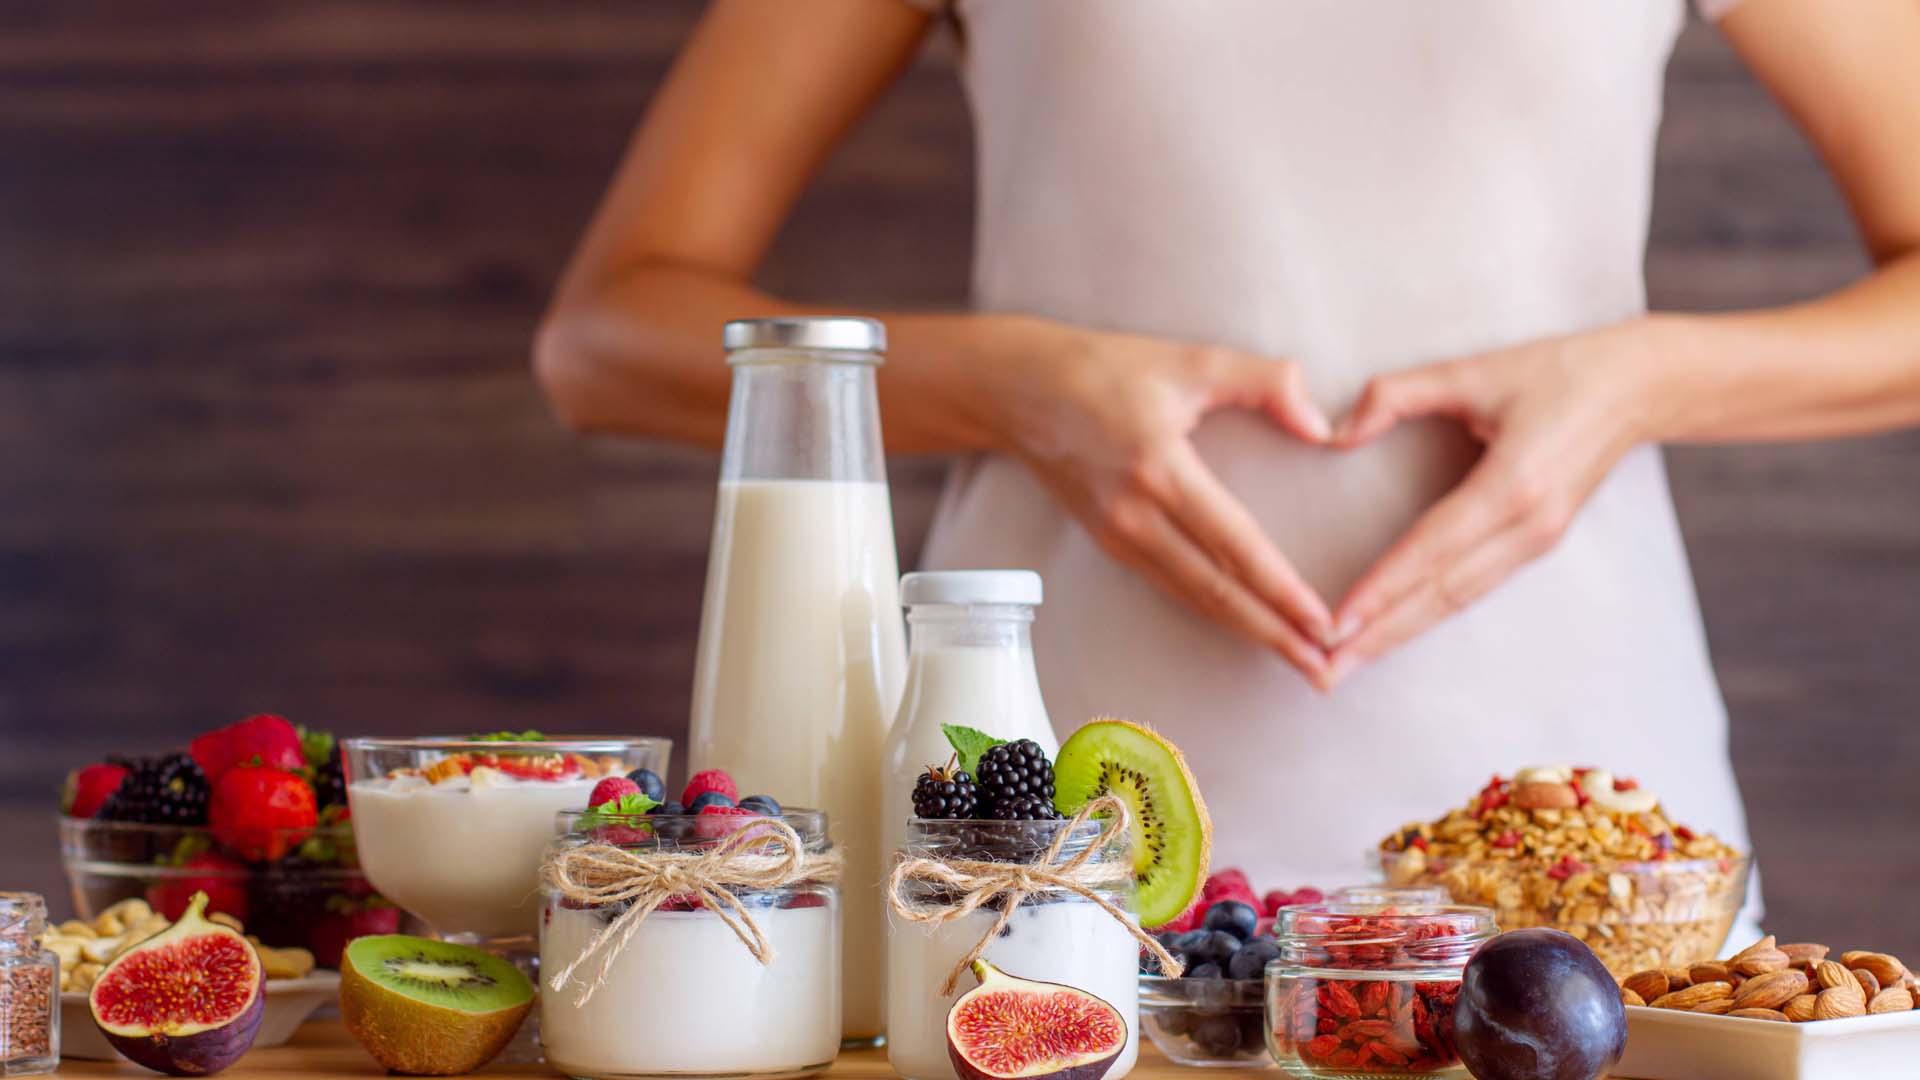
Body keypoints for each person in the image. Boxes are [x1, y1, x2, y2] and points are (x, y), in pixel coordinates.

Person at [532, 0, 1920, 910]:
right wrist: (1019, 383)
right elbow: (606, 333)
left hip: (1594, 846)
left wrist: (1638, 377)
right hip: (1049, 841)